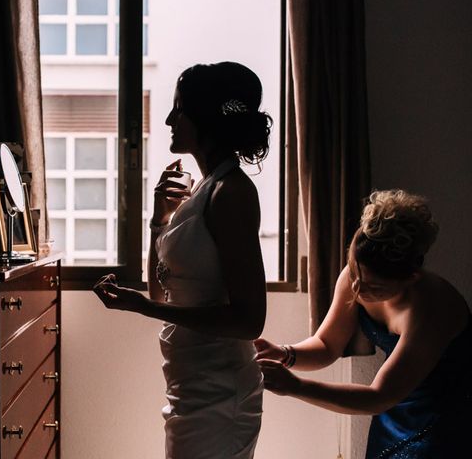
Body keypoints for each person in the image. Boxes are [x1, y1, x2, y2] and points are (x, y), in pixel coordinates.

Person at [93, 61, 272, 458]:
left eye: (179, 108)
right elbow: (164, 291)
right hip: (190, 381)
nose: (171, 118)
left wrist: (144, 308)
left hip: (221, 390)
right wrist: (159, 220)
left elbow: (249, 321)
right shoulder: (203, 192)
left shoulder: (232, 194)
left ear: (206, 117)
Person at [255, 189, 472, 458]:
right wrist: (286, 354)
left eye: (374, 286)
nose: (356, 288)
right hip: (392, 413)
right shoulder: (357, 275)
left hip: (440, 422)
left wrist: (296, 387)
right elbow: (326, 345)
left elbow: (378, 396)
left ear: (411, 277)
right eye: (354, 272)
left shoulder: (433, 308)